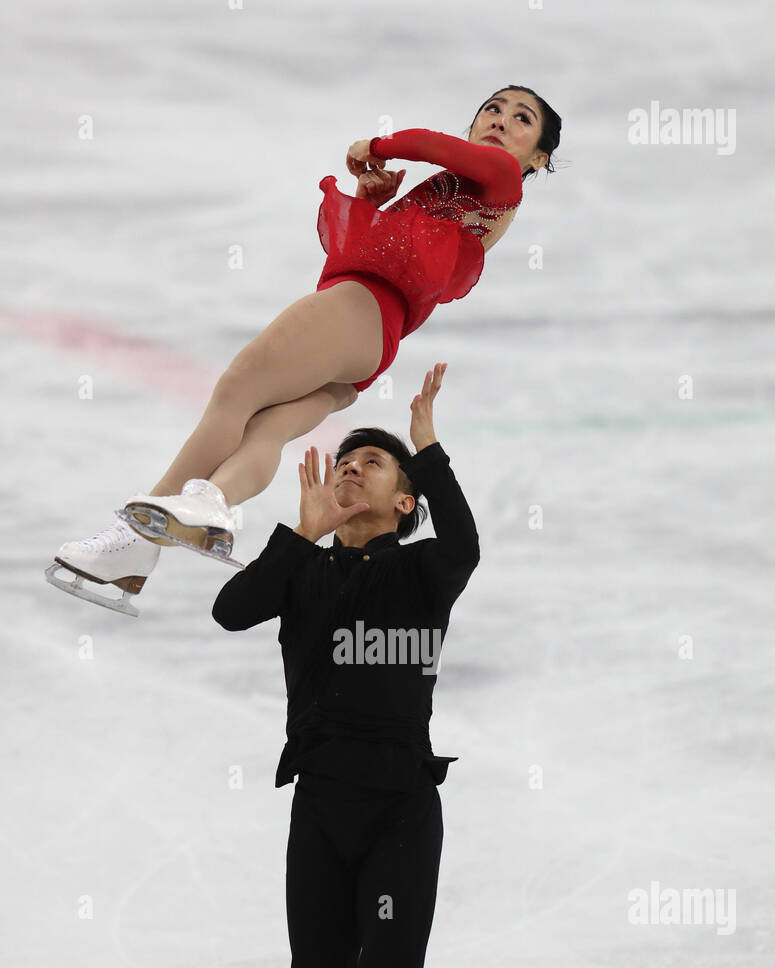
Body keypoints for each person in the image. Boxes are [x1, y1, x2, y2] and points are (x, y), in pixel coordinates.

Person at [45, 86, 560, 616]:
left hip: (363, 310)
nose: (501, 120)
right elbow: (396, 247)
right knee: (264, 427)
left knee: (236, 390)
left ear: (538, 157)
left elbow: (434, 146)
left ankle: (138, 538)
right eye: (492, 109)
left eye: (522, 119)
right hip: (369, 337)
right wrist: (371, 199)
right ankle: (201, 511)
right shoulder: (466, 191)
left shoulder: (498, 176)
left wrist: (379, 144)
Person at [211, 363, 477, 968]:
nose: (354, 467)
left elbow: (467, 542)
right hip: (319, 811)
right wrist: (297, 531)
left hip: (401, 812)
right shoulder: (308, 571)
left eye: (374, 465)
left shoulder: (423, 573)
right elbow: (230, 609)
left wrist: (426, 442)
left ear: (406, 504)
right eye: (347, 459)